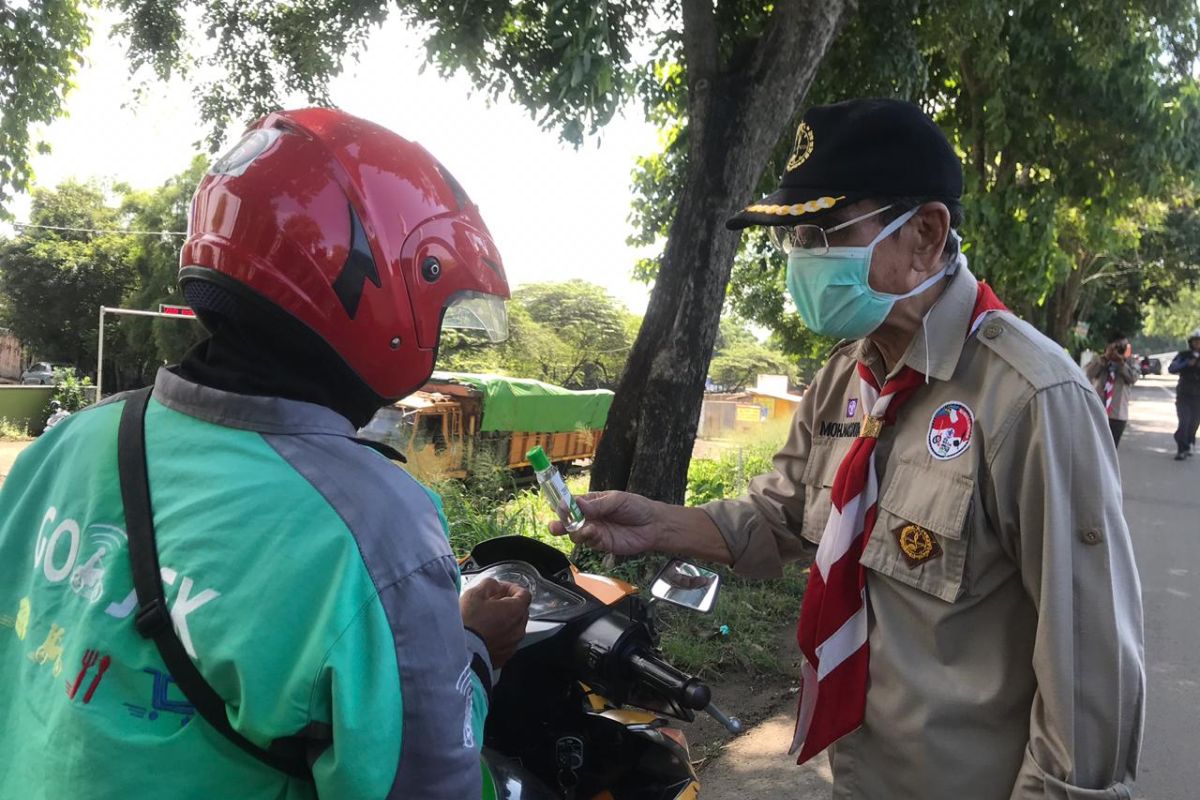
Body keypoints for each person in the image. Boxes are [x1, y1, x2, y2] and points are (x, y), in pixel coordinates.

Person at [553, 99, 1145, 800]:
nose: (801, 259)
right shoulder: (847, 378)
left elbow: (1090, 663)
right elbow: (781, 515)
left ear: (926, 233)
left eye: (823, 232)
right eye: (793, 240)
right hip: (859, 776)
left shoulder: (1033, 398)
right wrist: (654, 523)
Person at [0, 109, 530, 799]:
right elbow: (432, 786)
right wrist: (478, 654)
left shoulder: (69, 444)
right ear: (378, 289)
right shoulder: (376, 537)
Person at [1085, 332, 1140, 448]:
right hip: (1098, 411)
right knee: (1095, 448)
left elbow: (1133, 378)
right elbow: (1088, 373)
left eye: (1123, 347)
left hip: (1118, 415)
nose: (1120, 349)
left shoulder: (1130, 363)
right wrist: (1105, 357)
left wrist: (1121, 363)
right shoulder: (1099, 360)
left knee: (1111, 449)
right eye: (1117, 346)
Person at [1168, 329, 1200, 460]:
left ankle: (1189, 442)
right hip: (1184, 395)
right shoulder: (1184, 355)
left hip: (1198, 396)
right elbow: (1172, 368)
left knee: (1194, 423)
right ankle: (1182, 448)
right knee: (1184, 421)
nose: (1197, 344)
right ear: (1191, 343)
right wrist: (1187, 364)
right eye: (1195, 342)